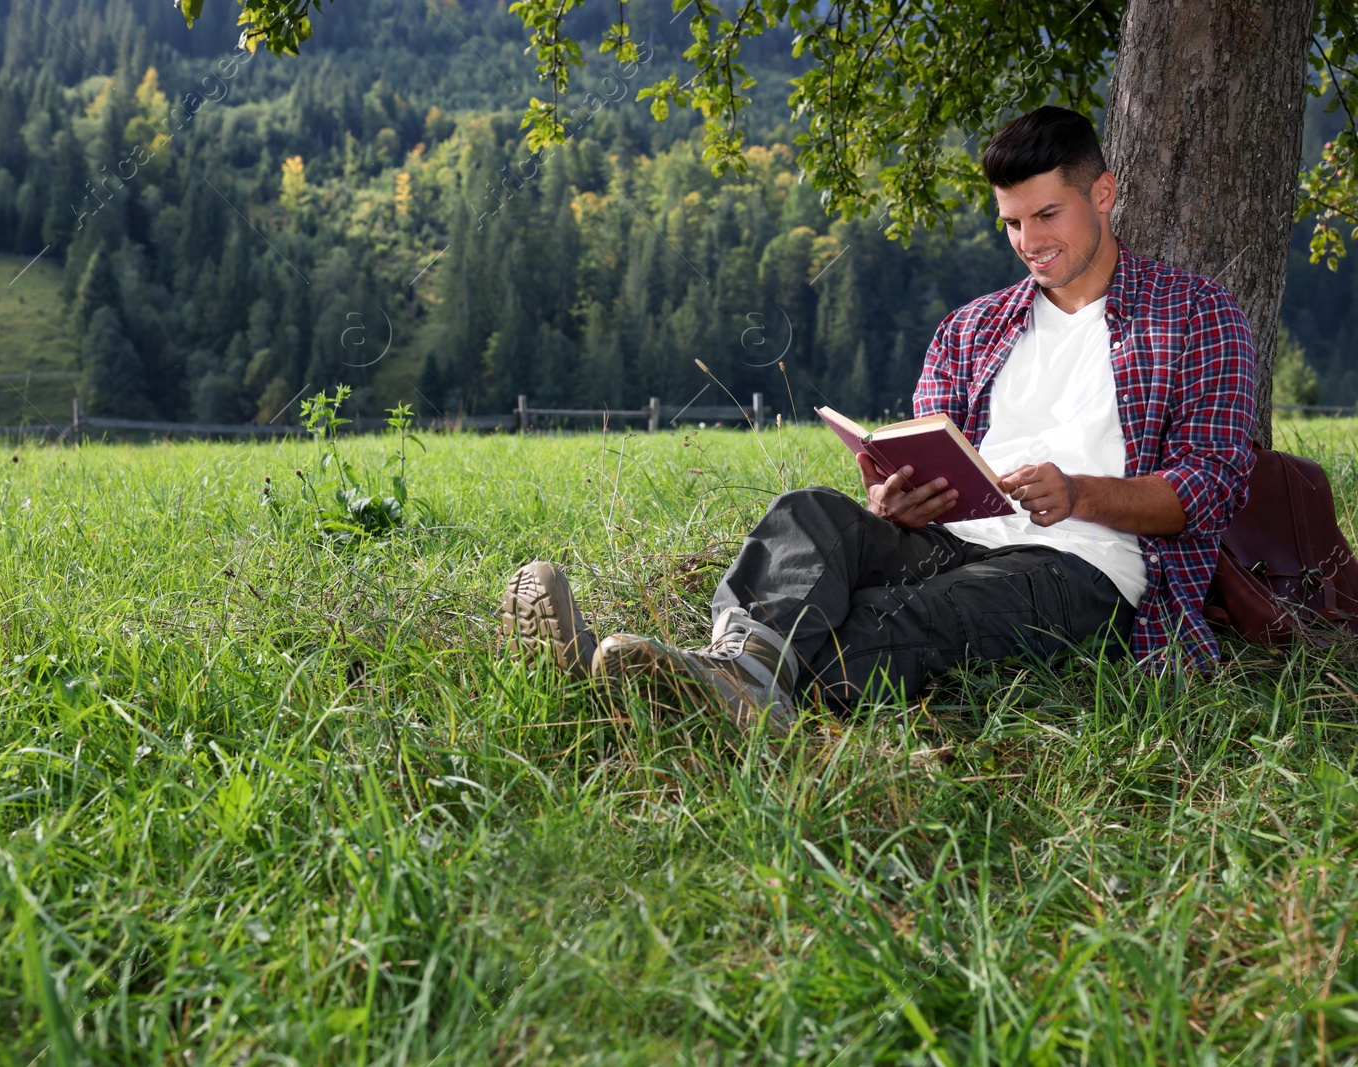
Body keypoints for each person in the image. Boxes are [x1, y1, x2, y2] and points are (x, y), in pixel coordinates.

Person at [501, 106, 1258, 732]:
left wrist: (1079, 493)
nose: (1029, 242)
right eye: (1011, 223)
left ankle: (661, 695)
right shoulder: (973, 329)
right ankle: (726, 678)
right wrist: (893, 499)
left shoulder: (1195, 315)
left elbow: (1209, 484)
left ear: (1103, 194)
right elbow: (928, 451)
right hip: (953, 536)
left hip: (1085, 568)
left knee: (897, 621)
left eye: (1046, 215)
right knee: (807, 517)